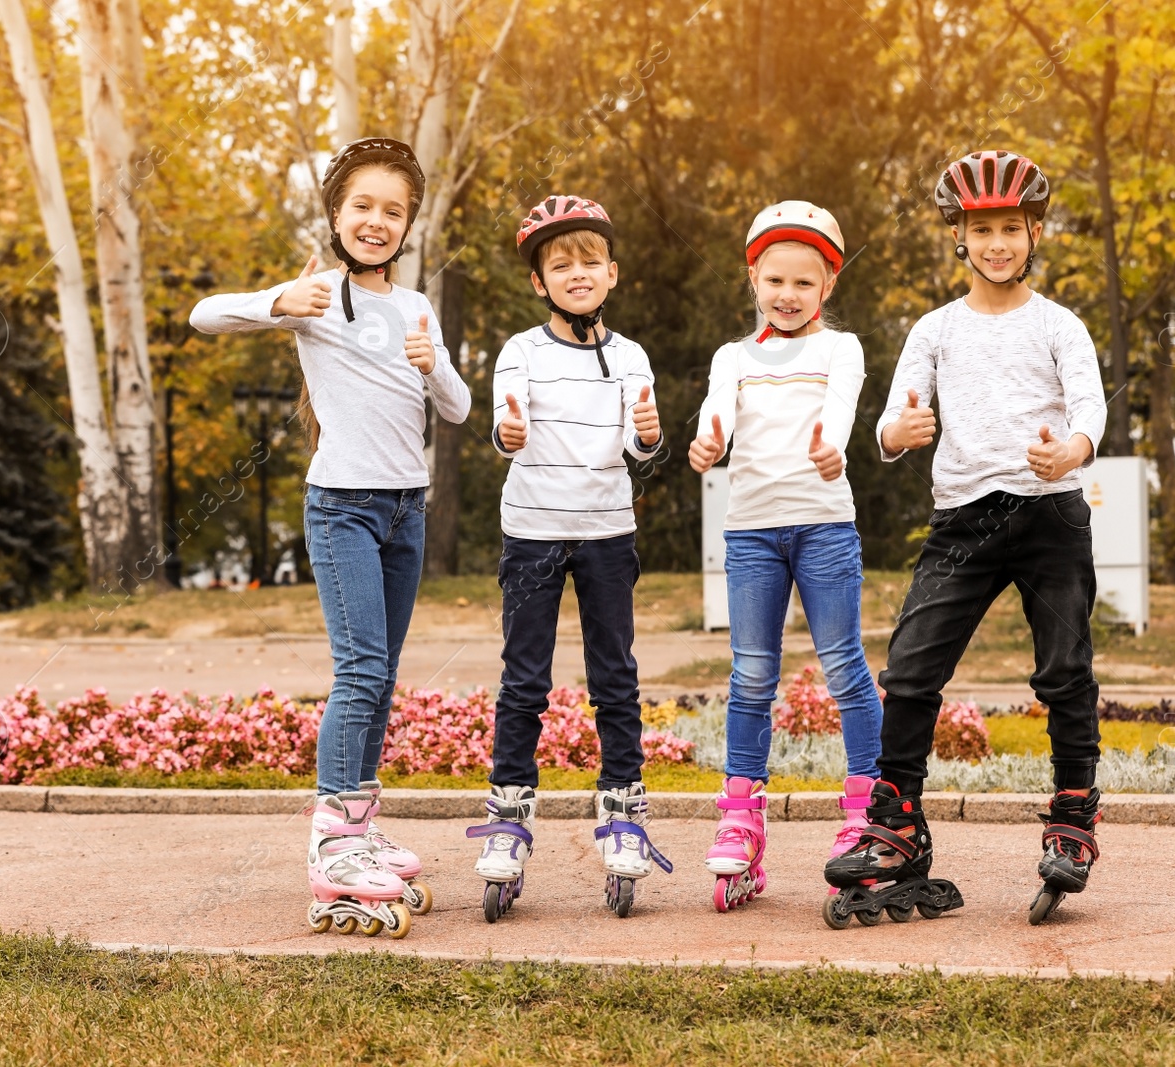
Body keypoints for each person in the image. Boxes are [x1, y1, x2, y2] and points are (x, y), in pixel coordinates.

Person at [190, 137, 470, 938]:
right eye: (363, 206)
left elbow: (454, 409)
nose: (377, 221)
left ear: (407, 222)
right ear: (337, 214)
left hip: (403, 509)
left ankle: (360, 823)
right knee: (361, 667)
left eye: (393, 210)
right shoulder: (315, 291)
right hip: (342, 504)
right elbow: (203, 315)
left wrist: (432, 363)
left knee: (382, 675)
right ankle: (332, 843)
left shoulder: (416, 307)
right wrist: (279, 303)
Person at [825, 150, 1107, 929]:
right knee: (911, 670)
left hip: (1051, 514)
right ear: (961, 234)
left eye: (1011, 228)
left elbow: (1091, 406)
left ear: (1035, 231)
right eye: (982, 229)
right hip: (963, 518)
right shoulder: (936, 328)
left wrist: (1073, 450)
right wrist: (899, 432)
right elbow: (890, 418)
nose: (997, 243)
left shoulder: (1059, 324)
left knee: (1064, 670)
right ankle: (898, 821)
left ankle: (1074, 814)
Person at [465, 195, 671, 921]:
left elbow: (640, 449)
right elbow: (505, 423)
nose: (576, 273)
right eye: (560, 264)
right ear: (539, 282)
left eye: (589, 261)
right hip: (532, 534)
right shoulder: (522, 352)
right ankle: (509, 823)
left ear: (611, 273)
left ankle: (622, 817)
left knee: (615, 678)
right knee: (524, 681)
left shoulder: (634, 356)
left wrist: (647, 435)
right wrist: (509, 434)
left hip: (608, 532)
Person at [686, 201, 884, 913]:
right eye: (774, 279)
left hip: (825, 524)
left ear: (827, 285)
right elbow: (717, 414)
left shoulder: (842, 348)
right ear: (754, 279)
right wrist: (708, 444)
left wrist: (831, 444)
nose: (787, 294)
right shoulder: (733, 357)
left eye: (804, 282)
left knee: (845, 668)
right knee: (750, 675)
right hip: (752, 532)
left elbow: (842, 406)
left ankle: (867, 811)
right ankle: (741, 817)